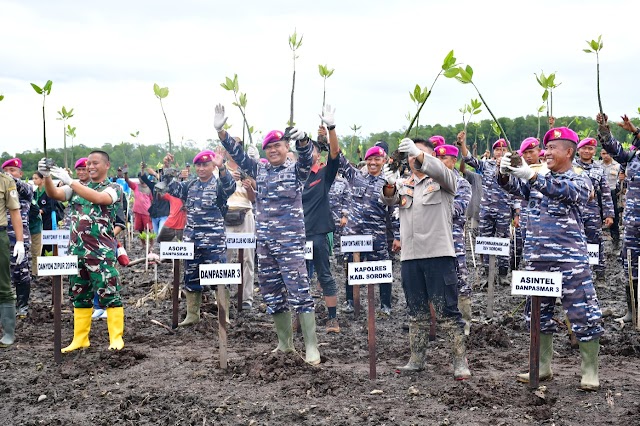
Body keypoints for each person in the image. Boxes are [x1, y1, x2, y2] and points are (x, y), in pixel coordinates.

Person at [216, 103, 321, 365]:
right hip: (265, 244)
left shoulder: (295, 170)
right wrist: (222, 133)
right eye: (269, 147)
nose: (273, 150)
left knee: (299, 291)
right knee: (272, 293)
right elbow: (239, 156)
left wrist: (305, 141)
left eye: (278, 146)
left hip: (290, 244)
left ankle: (311, 347)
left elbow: (308, 159)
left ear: (287, 148)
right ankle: (284, 344)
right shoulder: (260, 171)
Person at [499, 127, 603, 391]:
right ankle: (541, 367)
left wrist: (531, 175)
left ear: (569, 151)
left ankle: (589, 371)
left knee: (583, 314)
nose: (546, 152)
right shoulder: (538, 175)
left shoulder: (579, 177)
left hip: (570, 260)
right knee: (536, 315)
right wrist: (504, 171)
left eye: (553, 148)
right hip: (537, 259)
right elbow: (513, 186)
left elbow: (565, 192)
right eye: (546, 148)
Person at [381, 137, 470, 379]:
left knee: (447, 312)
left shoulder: (444, 180)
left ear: (430, 157)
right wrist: (389, 183)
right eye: (410, 155)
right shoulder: (404, 184)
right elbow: (388, 200)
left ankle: (460, 362)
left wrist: (421, 156)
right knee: (416, 312)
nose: (414, 158)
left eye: (419, 154)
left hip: (438, 255)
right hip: (411, 258)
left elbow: (442, 171)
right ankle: (417, 359)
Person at [39, 151, 126, 352]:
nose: (90, 167)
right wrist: (47, 176)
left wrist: (71, 181)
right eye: (88, 163)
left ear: (106, 165)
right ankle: (80, 339)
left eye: (95, 163)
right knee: (79, 294)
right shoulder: (78, 188)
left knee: (109, 292)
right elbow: (55, 194)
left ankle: (116, 338)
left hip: (101, 252)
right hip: (77, 251)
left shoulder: (113, 188)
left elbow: (99, 198)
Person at [162, 149, 235, 326]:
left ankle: (223, 315)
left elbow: (230, 187)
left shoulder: (218, 185)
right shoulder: (190, 185)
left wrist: (222, 168)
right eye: (199, 165)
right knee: (191, 276)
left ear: (212, 166)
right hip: (192, 240)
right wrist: (167, 168)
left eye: (206, 165)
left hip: (214, 241)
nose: (202, 168)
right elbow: (170, 187)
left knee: (219, 277)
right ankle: (192, 314)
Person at [340, 144, 400, 316]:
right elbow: (339, 158)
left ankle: (385, 306)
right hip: (354, 234)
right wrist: (329, 134)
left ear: (384, 161)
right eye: (370, 159)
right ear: (366, 160)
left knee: (382, 269)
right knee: (351, 268)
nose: (373, 162)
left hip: (377, 235)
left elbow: (395, 212)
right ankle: (351, 302)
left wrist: (397, 236)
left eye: (377, 159)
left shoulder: (388, 183)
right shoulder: (355, 176)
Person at [597, 113, 640, 322]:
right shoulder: (633, 157)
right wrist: (605, 130)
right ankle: (632, 312)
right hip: (632, 224)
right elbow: (616, 150)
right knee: (630, 266)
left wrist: (635, 130)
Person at [302, 109, 341, 333]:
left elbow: (335, 153)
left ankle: (333, 319)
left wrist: (331, 130)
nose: (308, 154)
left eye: (311, 150)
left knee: (324, 275)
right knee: (299, 278)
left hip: (318, 234)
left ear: (318, 155)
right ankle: (301, 318)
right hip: (297, 236)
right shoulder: (293, 176)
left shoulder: (324, 174)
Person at [461, 138, 518, 285]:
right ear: (493, 152)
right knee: (485, 242)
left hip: (504, 209)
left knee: (504, 242)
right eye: (498, 150)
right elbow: (468, 159)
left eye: (504, 149)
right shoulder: (486, 165)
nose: (501, 152)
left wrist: (516, 213)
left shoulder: (513, 167)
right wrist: (462, 144)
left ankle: (503, 275)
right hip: (486, 210)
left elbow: (516, 192)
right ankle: (487, 275)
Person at [436, 137, 473, 335]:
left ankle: (464, 323)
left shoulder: (462, 184)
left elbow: (456, 211)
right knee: (436, 281)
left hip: (453, 239)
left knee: (460, 280)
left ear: (453, 160)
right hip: (434, 238)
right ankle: (439, 323)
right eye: (437, 159)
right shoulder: (430, 182)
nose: (440, 163)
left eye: (444, 159)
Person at [220, 142, 256, 311]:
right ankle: (223, 294)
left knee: (248, 258)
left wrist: (246, 182)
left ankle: (246, 298)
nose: (233, 152)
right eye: (230, 149)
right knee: (224, 257)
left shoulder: (248, 169)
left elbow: (254, 198)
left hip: (245, 213)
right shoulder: (219, 169)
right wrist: (227, 179)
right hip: (226, 215)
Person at [574, 137, 614, 282]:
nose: (587, 151)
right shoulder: (570, 166)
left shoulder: (599, 169)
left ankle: (599, 273)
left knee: (595, 241)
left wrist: (609, 214)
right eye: (584, 148)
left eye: (590, 148)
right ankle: (578, 272)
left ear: (594, 151)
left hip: (592, 211)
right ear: (578, 150)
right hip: (572, 210)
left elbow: (605, 193)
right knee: (573, 241)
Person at [2, 159, 32, 318]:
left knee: (20, 272)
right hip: (2, 236)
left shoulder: (25, 189)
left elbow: (20, 187)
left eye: (13, 170)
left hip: (18, 238)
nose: (9, 173)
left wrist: (7, 178)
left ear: (20, 173)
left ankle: (22, 307)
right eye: (6, 170)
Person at [0, 172, 25, 347]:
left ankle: (8, 332)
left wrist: (20, 241)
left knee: (3, 284)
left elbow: (15, 211)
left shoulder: (5, 181)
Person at [124, 164, 153, 235]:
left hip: (146, 212)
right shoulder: (136, 186)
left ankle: (151, 245)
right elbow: (127, 180)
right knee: (140, 230)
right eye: (140, 177)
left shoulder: (149, 187)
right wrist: (125, 172)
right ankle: (143, 245)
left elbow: (152, 200)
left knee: (149, 229)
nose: (141, 179)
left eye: (142, 177)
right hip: (137, 211)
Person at [599, 149, 621, 245]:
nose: (606, 156)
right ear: (601, 154)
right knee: (597, 214)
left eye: (607, 153)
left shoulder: (617, 166)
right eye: (603, 153)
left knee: (614, 215)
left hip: (612, 193)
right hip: (598, 192)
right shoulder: (597, 165)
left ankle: (615, 237)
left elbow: (621, 181)